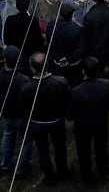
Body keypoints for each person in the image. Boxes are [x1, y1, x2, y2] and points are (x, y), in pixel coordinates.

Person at [20, 52, 72, 186]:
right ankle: (63, 171)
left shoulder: (27, 88)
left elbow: (24, 107)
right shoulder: (60, 82)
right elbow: (67, 99)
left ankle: (49, 176)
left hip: (38, 123)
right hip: (56, 121)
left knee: (42, 149)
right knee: (60, 146)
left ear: (32, 68)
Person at [0, 46, 33, 174]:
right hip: (22, 116)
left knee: (8, 137)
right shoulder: (23, 80)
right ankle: (21, 167)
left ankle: (6, 164)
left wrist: (0, 107)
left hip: (7, 115)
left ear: (4, 60)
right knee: (25, 141)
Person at [68, 56, 109, 183]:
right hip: (100, 123)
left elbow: (70, 115)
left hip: (83, 127)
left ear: (83, 71)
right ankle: (104, 173)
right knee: (101, 149)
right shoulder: (106, 85)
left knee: (84, 153)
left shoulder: (76, 91)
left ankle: (87, 177)